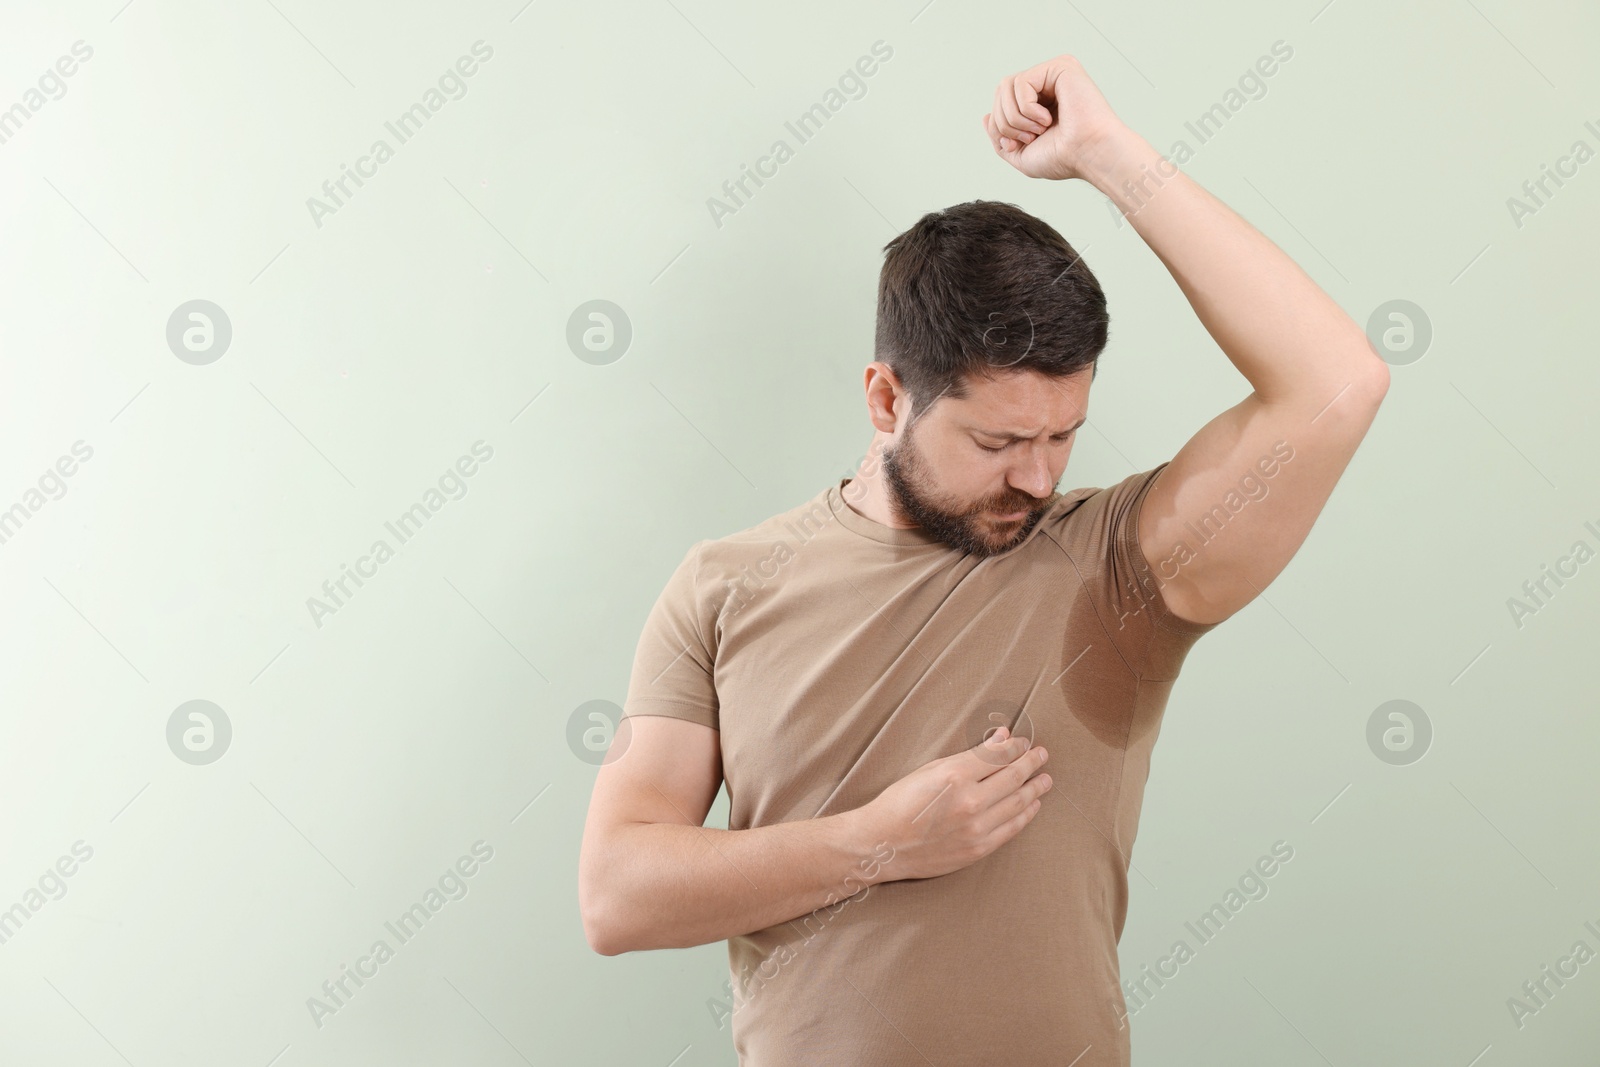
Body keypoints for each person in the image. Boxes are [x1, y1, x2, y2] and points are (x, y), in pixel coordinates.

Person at [578, 53, 1389, 1065]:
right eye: (998, 443)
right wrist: (879, 842)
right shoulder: (724, 583)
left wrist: (1107, 154)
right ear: (885, 399)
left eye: (1063, 435)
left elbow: (1336, 382)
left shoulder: (1120, 567)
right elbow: (617, 892)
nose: (1037, 478)